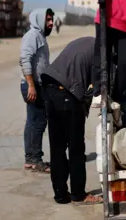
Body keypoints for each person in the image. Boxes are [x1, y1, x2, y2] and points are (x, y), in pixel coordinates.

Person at [41, 37, 101, 205]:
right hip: (66, 94)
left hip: (49, 89)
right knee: (76, 147)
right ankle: (78, 194)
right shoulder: (101, 51)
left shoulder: (85, 42)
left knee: (57, 147)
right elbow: (99, 85)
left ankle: (60, 195)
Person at [19, 8, 54, 173]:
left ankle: (30, 158)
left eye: (51, 19)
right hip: (33, 85)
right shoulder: (32, 36)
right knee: (38, 122)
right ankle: (35, 160)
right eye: (48, 19)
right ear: (39, 19)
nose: (51, 23)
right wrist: (31, 85)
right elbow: (24, 59)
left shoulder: (39, 36)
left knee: (33, 121)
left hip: (37, 84)